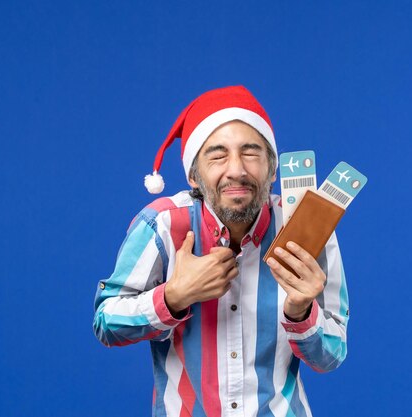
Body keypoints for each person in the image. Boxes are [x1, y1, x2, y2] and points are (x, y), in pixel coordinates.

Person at [93, 86, 349, 417]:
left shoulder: (310, 229)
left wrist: (300, 311)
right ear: (193, 176)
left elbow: (330, 356)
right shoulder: (161, 225)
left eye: (251, 153)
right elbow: (106, 323)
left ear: (272, 171)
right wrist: (174, 296)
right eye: (217, 155)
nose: (236, 170)